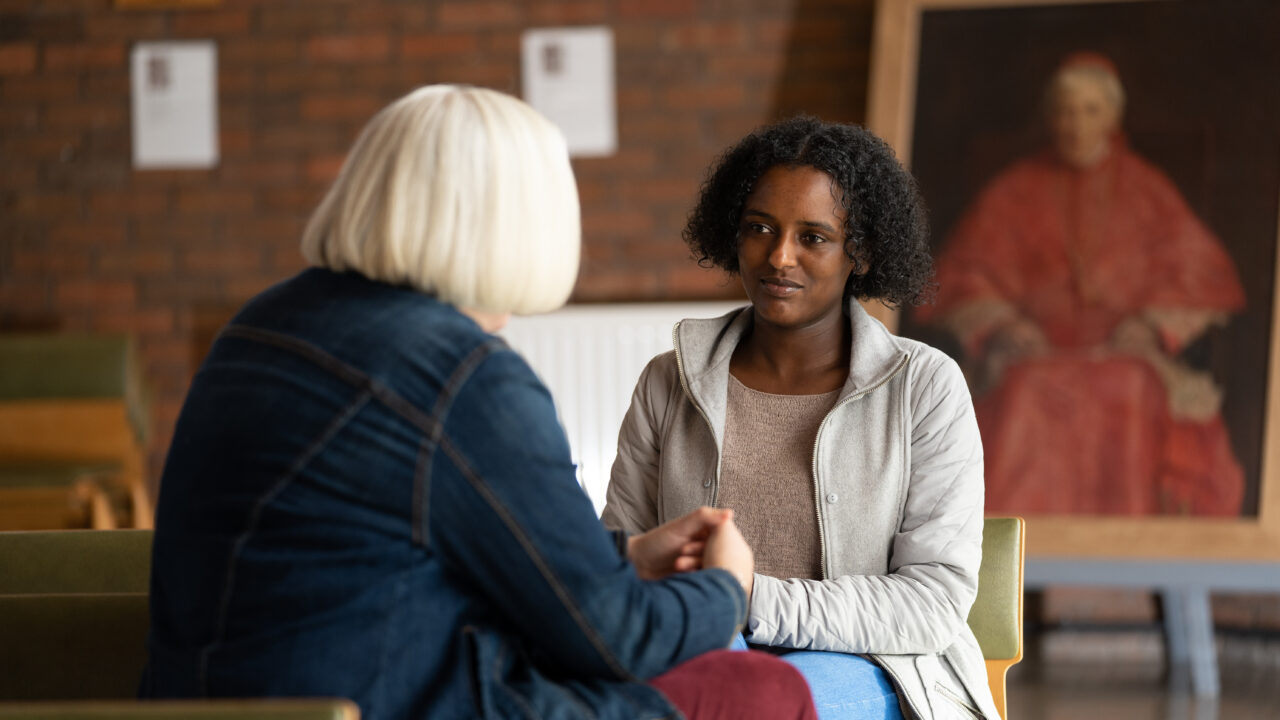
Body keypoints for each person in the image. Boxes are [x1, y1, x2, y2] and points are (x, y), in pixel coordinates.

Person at [141, 85, 818, 720]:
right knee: (761, 689)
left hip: (217, 698)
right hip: (379, 700)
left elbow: (376, 543)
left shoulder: (263, 323)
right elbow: (617, 641)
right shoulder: (462, 375)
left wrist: (625, 556)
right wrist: (727, 589)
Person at [602, 117, 999, 720]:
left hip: (876, 665)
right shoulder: (670, 381)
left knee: (749, 703)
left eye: (812, 237)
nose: (779, 256)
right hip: (706, 648)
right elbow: (620, 562)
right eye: (759, 228)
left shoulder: (924, 386)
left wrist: (749, 598)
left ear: (858, 252)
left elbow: (932, 604)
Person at [914, 52, 1246, 516]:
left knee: (1127, 387)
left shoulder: (1146, 188)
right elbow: (967, 269)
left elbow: (1199, 270)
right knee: (1024, 390)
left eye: (1090, 110)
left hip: (1123, 353)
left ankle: (1124, 547)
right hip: (1031, 355)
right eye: (1066, 111)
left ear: (1112, 116)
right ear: (1050, 116)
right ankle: (1018, 552)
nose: (1076, 124)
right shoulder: (1014, 190)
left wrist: (1150, 326)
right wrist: (1006, 325)